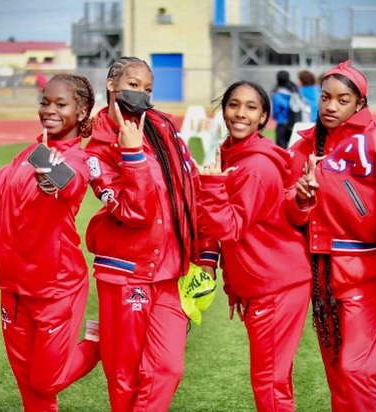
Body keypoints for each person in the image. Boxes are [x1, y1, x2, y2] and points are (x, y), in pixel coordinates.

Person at [84, 56, 219, 412]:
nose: (141, 95)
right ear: (112, 85)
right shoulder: (99, 147)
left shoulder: (162, 126)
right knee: (124, 374)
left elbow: (191, 191)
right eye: (133, 85)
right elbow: (136, 212)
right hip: (126, 275)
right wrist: (131, 154)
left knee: (168, 368)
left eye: (148, 89)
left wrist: (205, 252)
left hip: (171, 273)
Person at [288, 60, 376, 411]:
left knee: (356, 368)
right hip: (319, 273)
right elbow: (286, 204)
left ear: (359, 104)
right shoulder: (306, 144)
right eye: (326, 97)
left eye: (342, 100)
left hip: (363, 273)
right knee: (337, 375)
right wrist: (301, 197)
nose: (330, 106)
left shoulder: (375, 140)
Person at [0, 73, 100, 411]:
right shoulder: (29, 154)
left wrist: (51, 176)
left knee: (45, 380)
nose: (49, 109)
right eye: (45, 102)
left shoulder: (75, 158)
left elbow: (70, 181)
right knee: (32, 391)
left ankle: (97, 344)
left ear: (81, 112)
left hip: (56, 289)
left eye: (60, 104)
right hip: (15, 289)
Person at [196, 80, 312, 411]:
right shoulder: (233, 152)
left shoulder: (255, 166)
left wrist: (212, 186)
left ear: (264, 117)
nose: (240, 113)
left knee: (269, 381)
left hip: (275, 284)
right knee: (274, 377)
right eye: (234, 105)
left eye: (251, 107)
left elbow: (230, 229)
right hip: (268, 281)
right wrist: (236, 285)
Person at [271, 70, 301, 149]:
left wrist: (275, 116)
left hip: (282, 123)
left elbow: (276, 111)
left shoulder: (277, 93)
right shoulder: (294, 91)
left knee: (281, 148)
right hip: (294, 121)